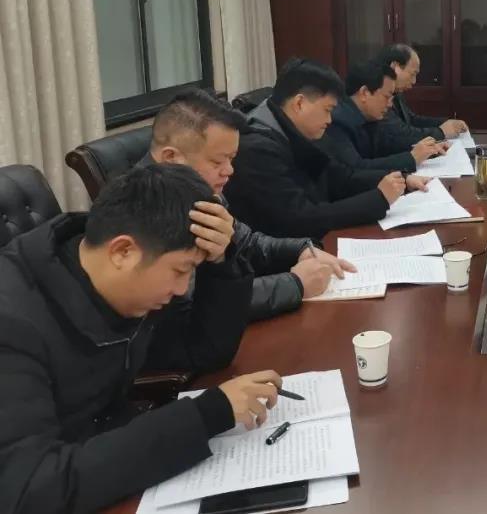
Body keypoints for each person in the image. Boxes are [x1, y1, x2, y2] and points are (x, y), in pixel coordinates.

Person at [0, 165, 286, 513]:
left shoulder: (120, 276)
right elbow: (30, 489)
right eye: (180, 270)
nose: (181, 288)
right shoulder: (12, 323)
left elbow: (203, 351)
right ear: (122, 252)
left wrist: (222, 262)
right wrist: (206, 415)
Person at [148, 88, 356, 316]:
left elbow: (246, 243)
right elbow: (191, 304)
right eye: (217, 162)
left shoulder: (198, 191)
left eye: (231, 159)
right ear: (171, 158)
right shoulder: (146, 211)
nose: (229, 170)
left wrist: (300, 250)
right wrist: (295, 284)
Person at [226, 58, 427, 239]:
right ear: (300, 103)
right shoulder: (257, 149)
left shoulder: (295, 128)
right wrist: (379, 199)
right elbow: (300, 218)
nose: (330, 120)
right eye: (327, 110)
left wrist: (400, 179)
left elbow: (338, 176)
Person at [321, 59, 448, 173]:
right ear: (365, 93)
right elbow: (356, 169)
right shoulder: (337, 122)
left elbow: (388, 145)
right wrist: (411, 158)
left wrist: (426, 150)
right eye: (386, 97)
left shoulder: (369, 117)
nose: (389, 104)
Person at [373, 43, 468, 154]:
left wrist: (446, 123)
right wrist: (441, 132)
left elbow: (411, 120)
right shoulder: (376, 92)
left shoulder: (396, 91)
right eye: (412, 74)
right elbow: (398, 135)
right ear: (395, 67)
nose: (414, 81)